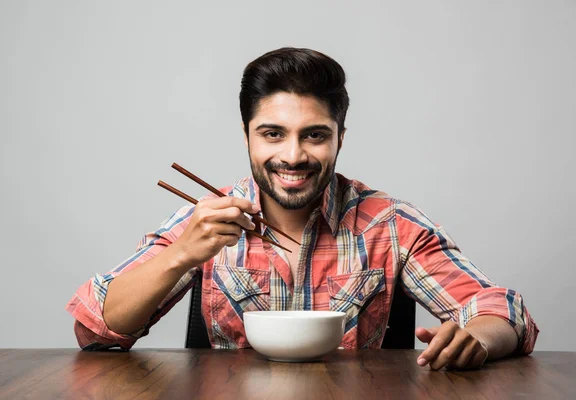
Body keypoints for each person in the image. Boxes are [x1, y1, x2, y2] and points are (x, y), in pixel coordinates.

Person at [66, 47, 538, 370]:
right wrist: (180, 254)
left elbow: (501, 310)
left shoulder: (389, 223)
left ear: (340, 138)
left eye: (314, 134)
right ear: (247, 135)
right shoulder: (207, 218)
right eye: (272, 133)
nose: (292, 156)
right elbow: (96, 329)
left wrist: (477, 338)